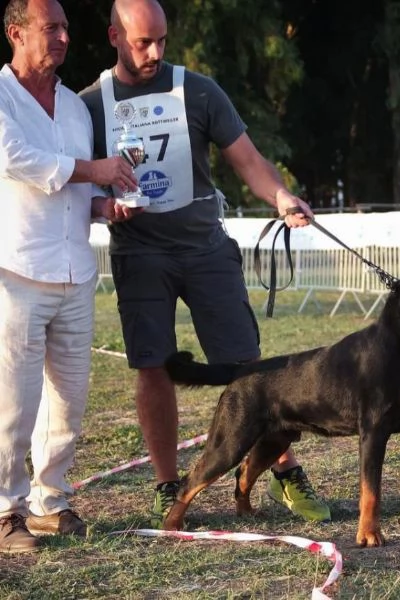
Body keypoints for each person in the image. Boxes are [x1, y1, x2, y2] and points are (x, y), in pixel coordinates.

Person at [80, 0, 331, 529]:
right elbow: (72, 184)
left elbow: (248, 160)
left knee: (249, 368)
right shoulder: (89, 105)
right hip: (139, 253)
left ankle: (286, 470)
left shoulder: (198, 90)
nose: (156, 52)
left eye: (162, 40)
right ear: (114, 37)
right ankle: (168, 485)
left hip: (206, 250)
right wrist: (103, 206)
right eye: (143, 41)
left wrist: (281, 197)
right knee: (152, 366)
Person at [0, 0, 139, 554]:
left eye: (64, 28)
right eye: (49, 28)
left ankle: (49, 502)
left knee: (69, 400)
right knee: (14, 401)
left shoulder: (76, 109)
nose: (62, 37)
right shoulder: (2, 96)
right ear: (16, 33)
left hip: (76, 269)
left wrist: (110, 207)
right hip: (17, 270)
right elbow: (16, 158)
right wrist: (96, 170)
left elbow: (81, 192)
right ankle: (5, 512)